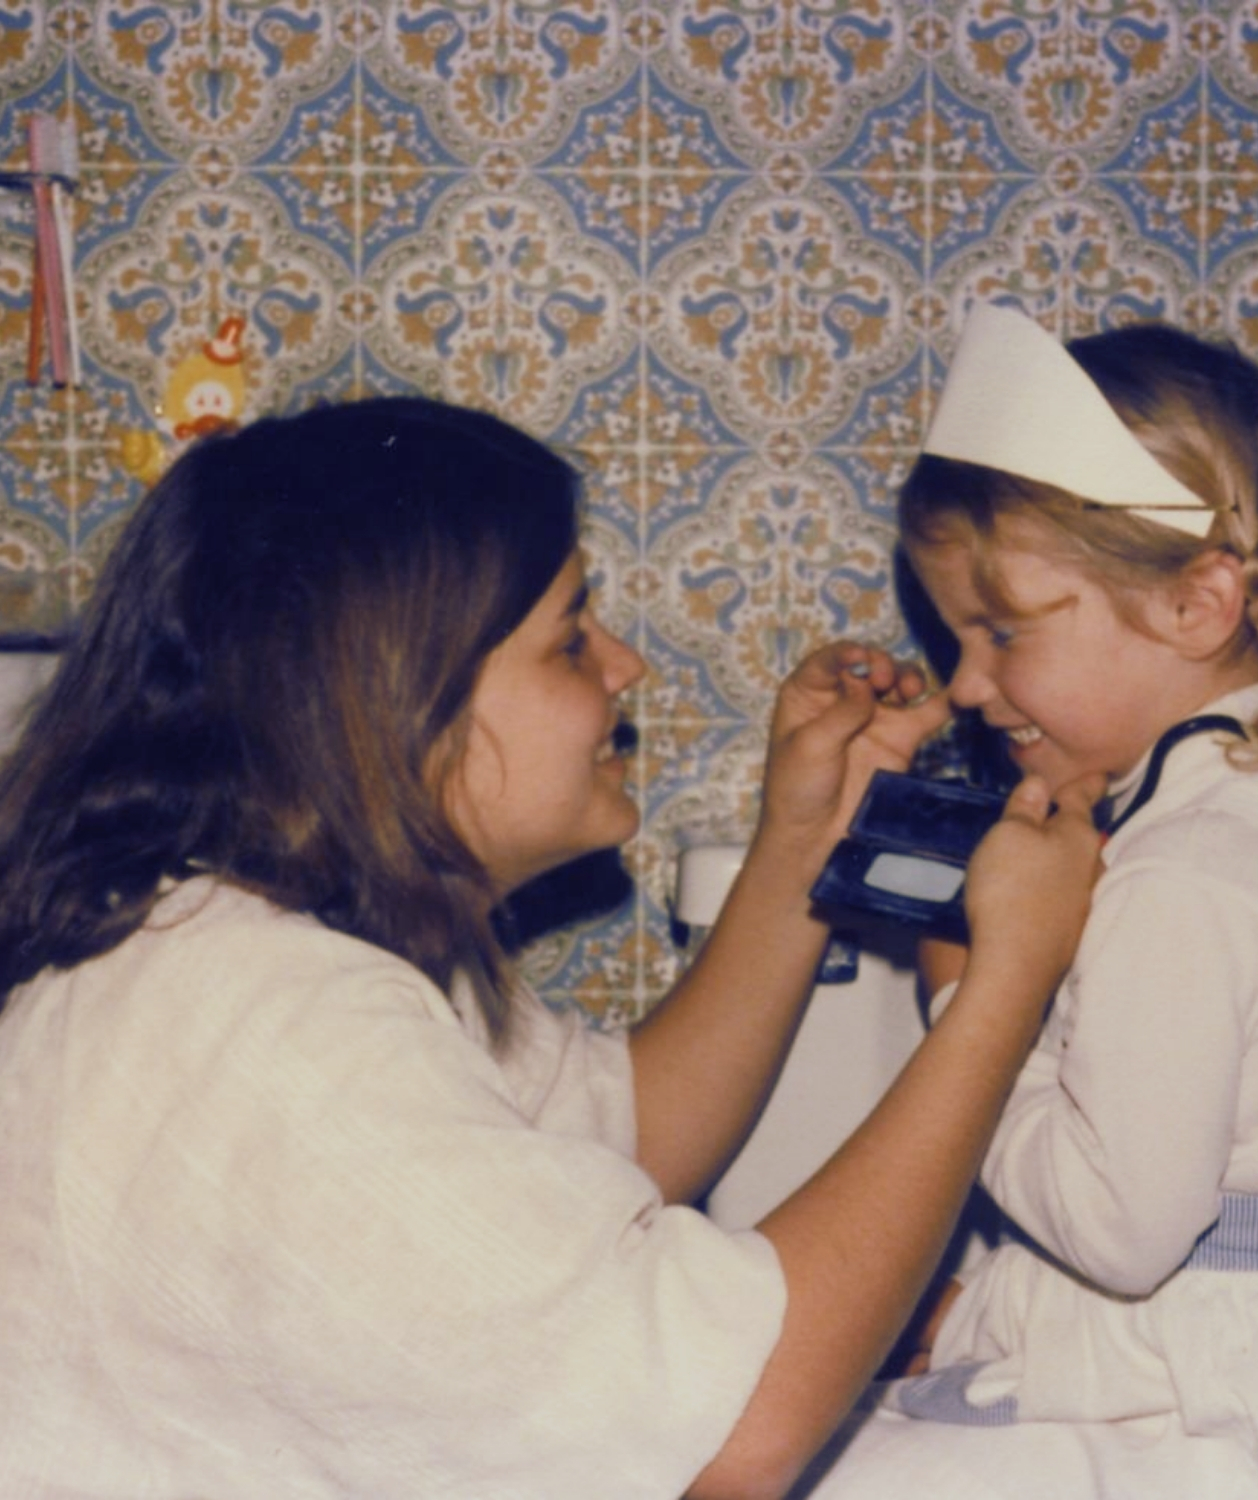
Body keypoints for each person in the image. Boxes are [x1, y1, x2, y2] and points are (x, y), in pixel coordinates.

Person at [0, 395, 1104, 1499]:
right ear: (399, 698)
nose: (622, 667)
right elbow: (738, 1433)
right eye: (571, 637)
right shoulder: (271, 1037)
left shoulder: (234, 947)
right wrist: (1004, 981)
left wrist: (805, 840)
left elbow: (632, 1132)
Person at [797, 306, 1258, 1499]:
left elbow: (1123, 1233)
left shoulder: (1185, 872)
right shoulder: (1254, 793)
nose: (968, 684)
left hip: (1197, 1393)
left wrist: (976, 1001)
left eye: (1002, 630)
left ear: (1196, 604)